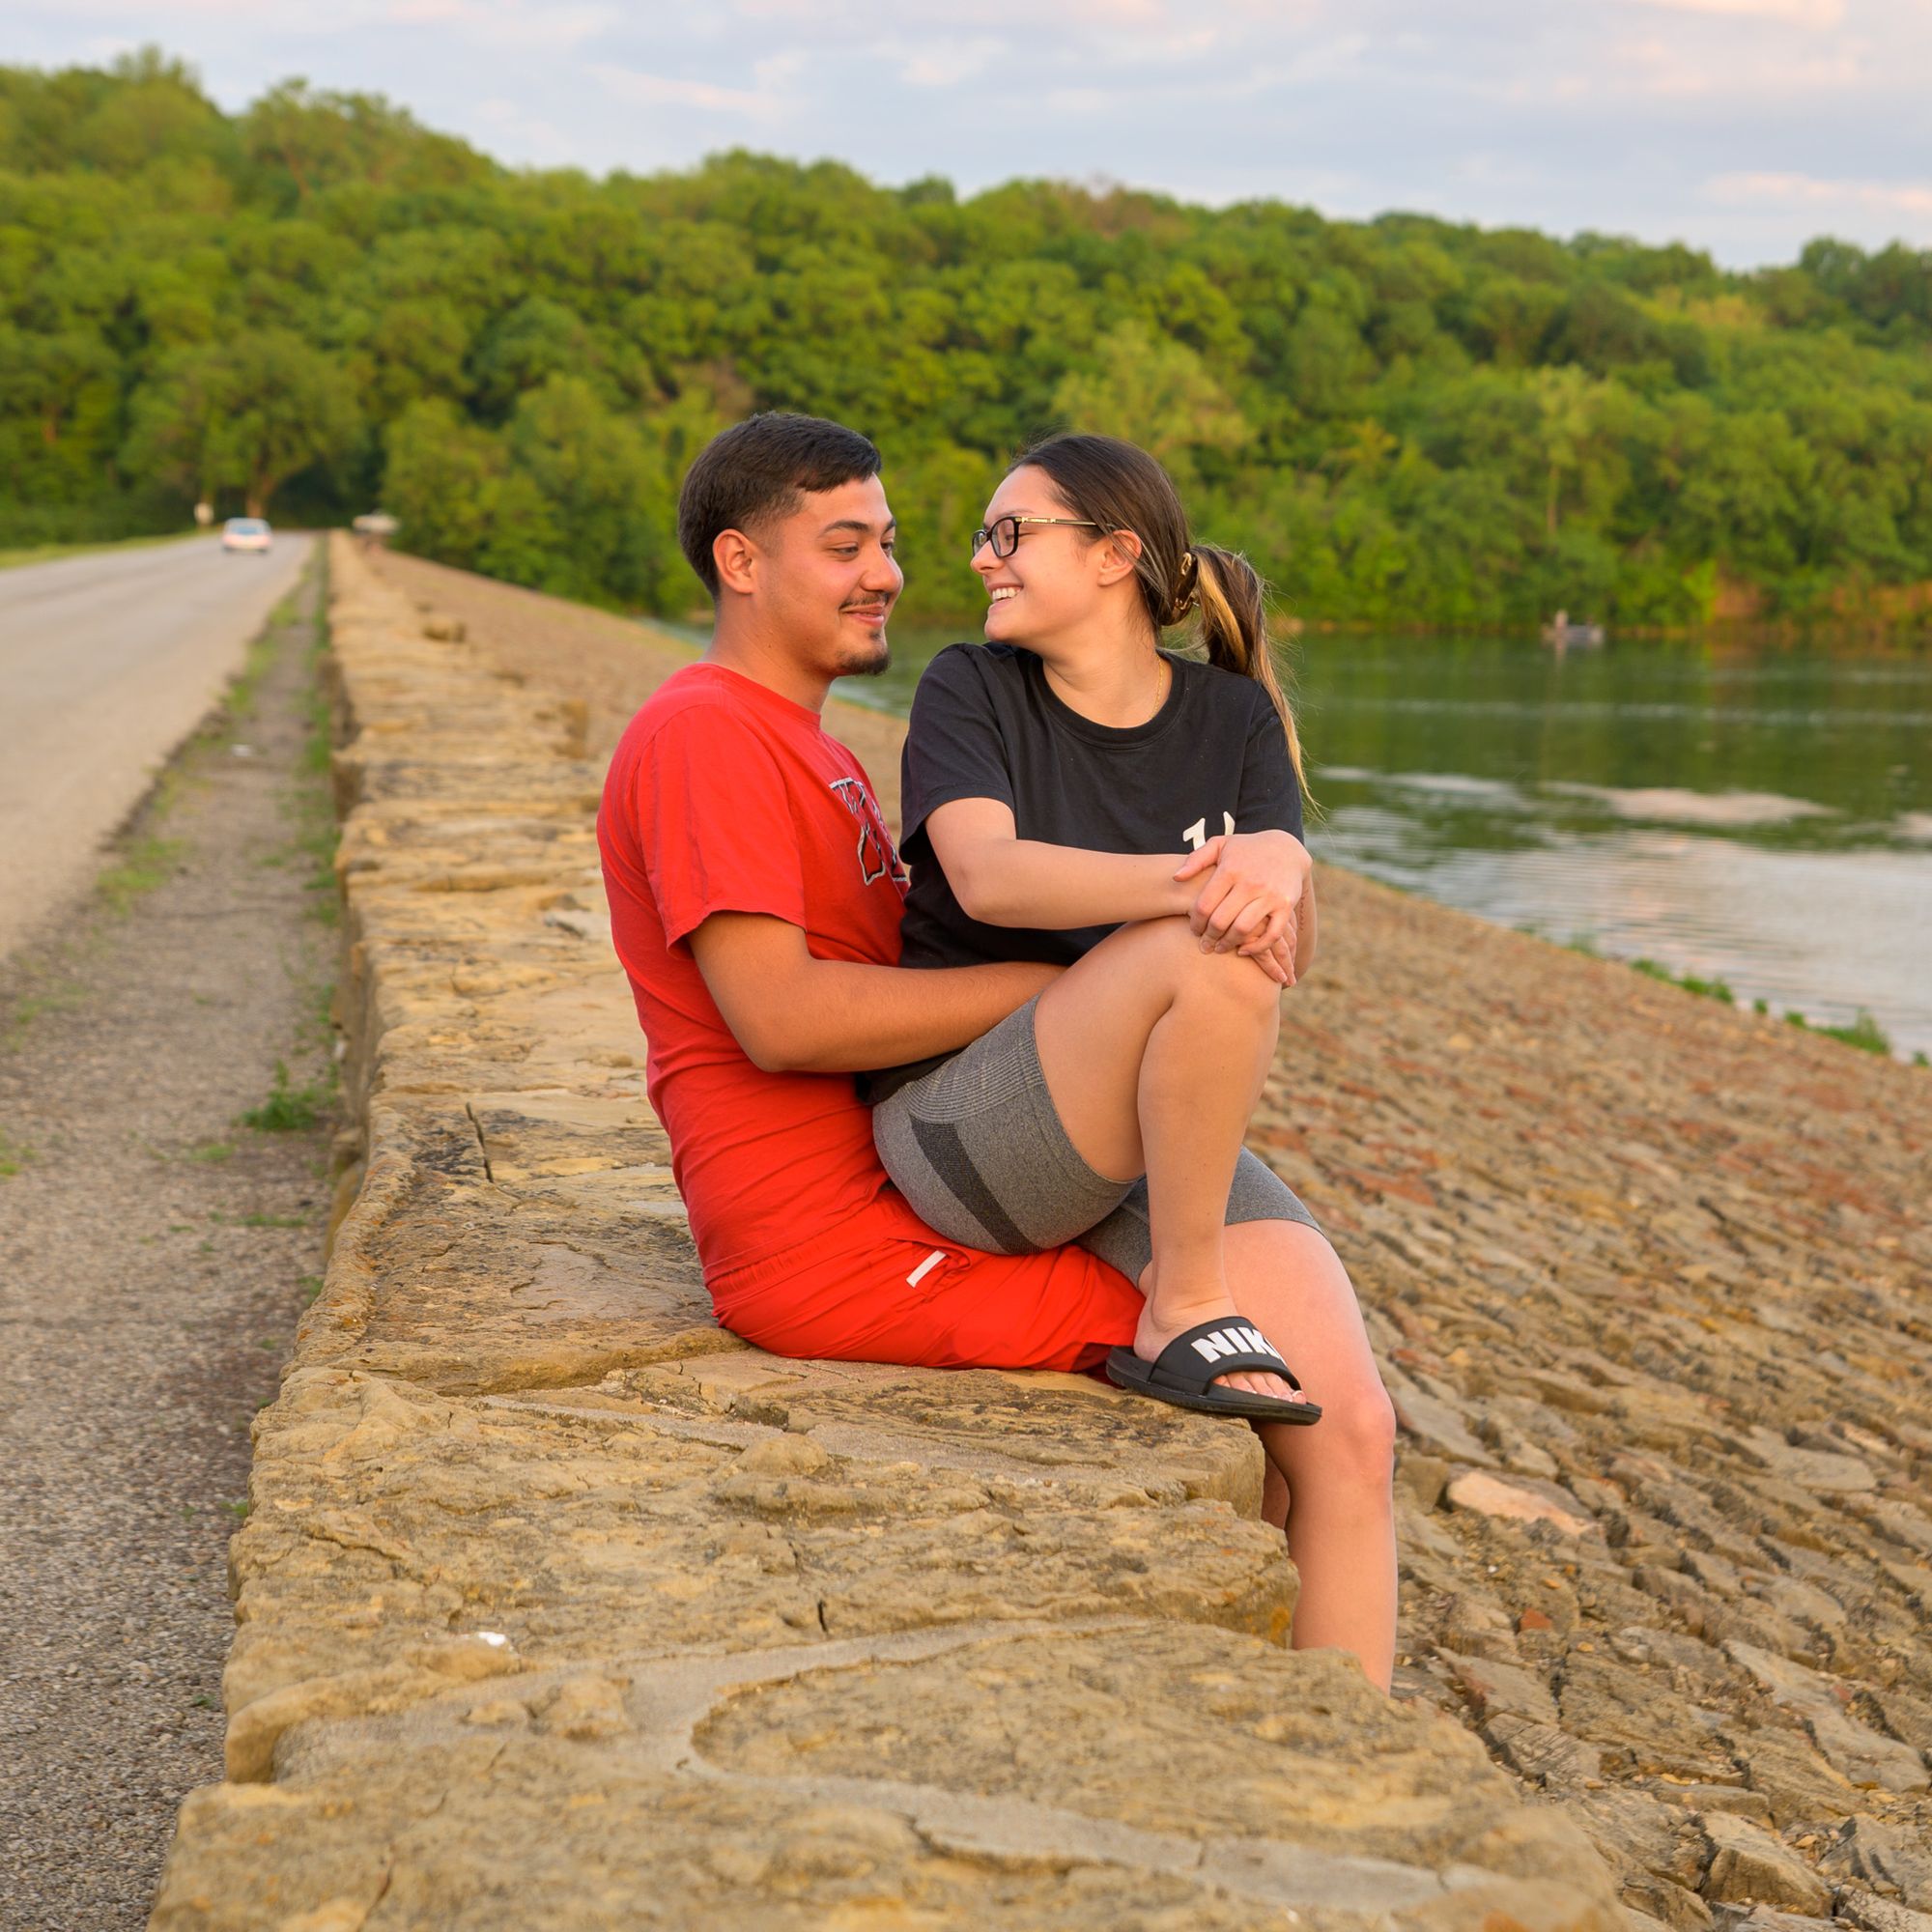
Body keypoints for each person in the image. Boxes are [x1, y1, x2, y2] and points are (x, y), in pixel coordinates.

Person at [597, 413, 1396, 1687]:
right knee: (1209, 975)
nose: (900, 574)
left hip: (1009, 1142)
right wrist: (1064, 981)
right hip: (843, 1235)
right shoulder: (712, 733)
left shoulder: (811, 747)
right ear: (741, 564)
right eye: (846, 545)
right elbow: (785, 1019)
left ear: (1119, 558)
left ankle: (1347, 1769)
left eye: (895, 542)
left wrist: (1284, 856)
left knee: (1349, 1424)